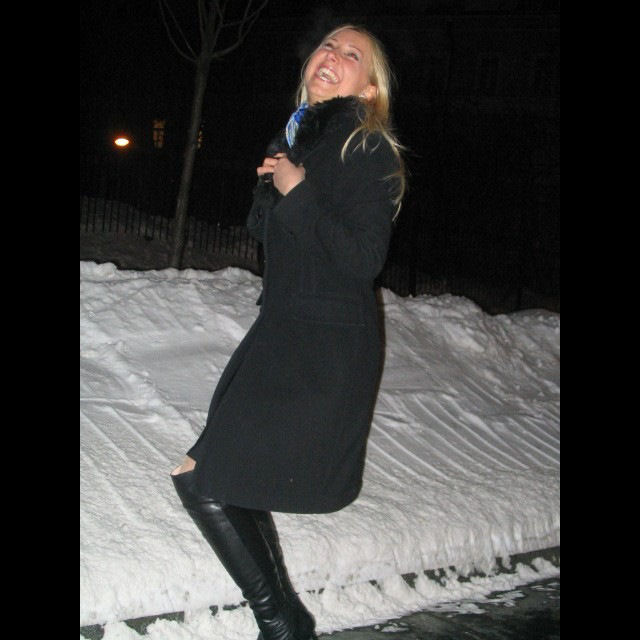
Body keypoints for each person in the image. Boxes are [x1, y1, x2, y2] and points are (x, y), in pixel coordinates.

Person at [170, 24, 406, 640]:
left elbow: (363, 259)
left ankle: (282, 625)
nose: (333, 56)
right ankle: (286, 623)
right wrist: (279, 186)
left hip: (322, 348)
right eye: (328, 45)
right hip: (283, 334)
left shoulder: (365, 147)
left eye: (352, 55)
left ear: (370, 87)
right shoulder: (302, 137)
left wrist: (297, 191)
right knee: (208, 476)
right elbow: (290, 241)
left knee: (204, 478)